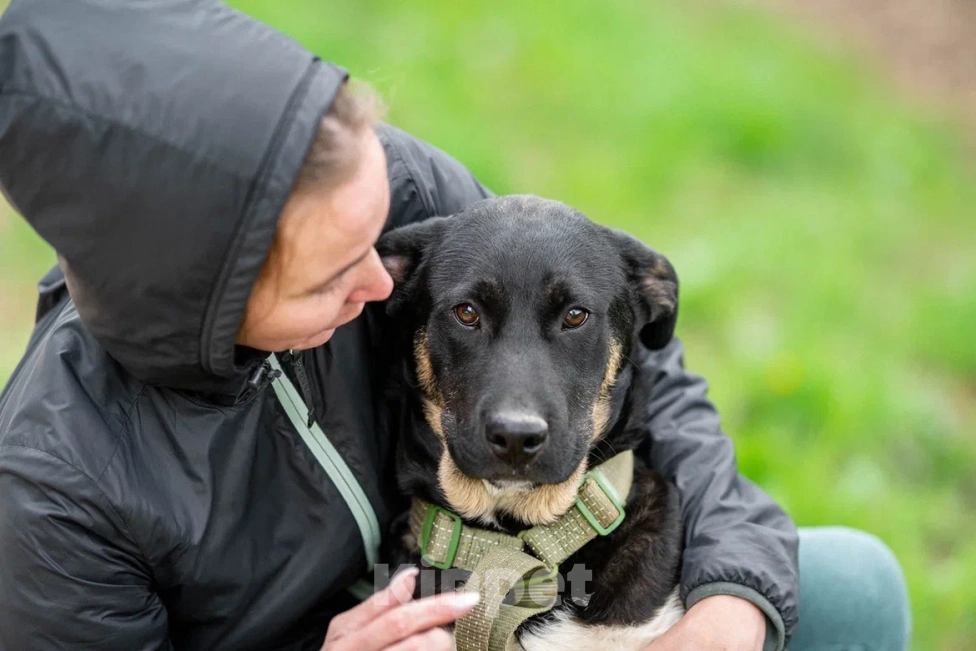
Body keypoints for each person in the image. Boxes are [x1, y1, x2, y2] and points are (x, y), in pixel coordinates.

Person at [0, 1, 910, 650]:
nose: (383, 281)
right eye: (329, 275)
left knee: (853, 586)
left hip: (531, 583)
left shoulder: (399, 197)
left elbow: (653, 385)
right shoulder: (54, 493)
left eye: (379, 237)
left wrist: (732, 603)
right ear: (206, 298)